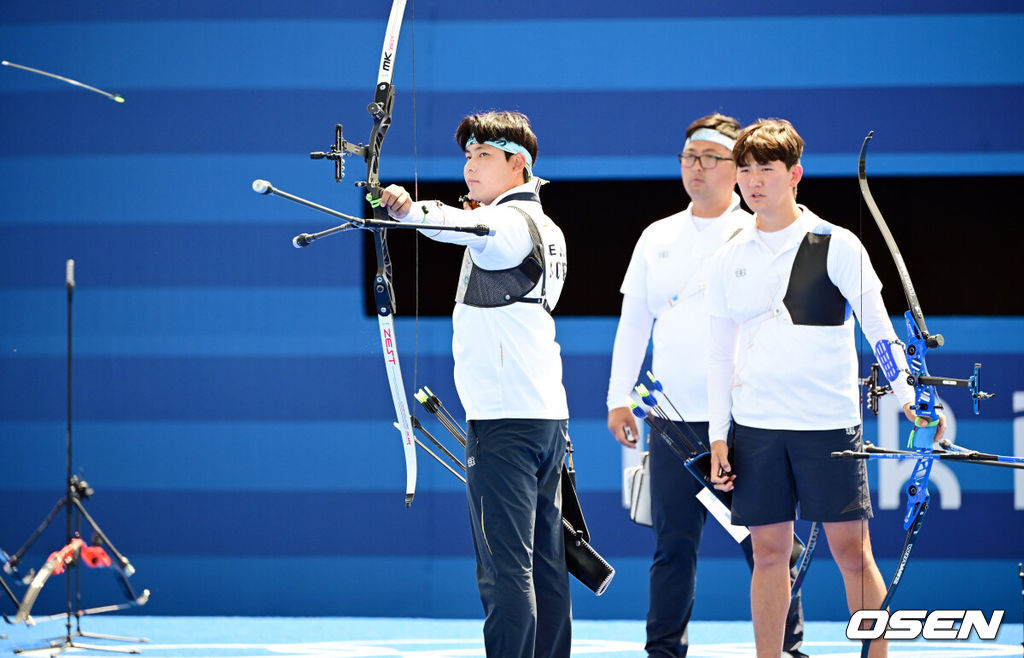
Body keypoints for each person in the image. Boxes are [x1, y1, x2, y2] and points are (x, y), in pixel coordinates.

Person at [706, 118, 946, 658]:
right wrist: (720, 436)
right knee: (769, 554)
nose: (752, 182)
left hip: (827, 425)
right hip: (757, 428)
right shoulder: (729, 256)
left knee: (852, 554)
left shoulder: (838, 244)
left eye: (766, 169)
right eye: (744, 171)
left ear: (795, 175)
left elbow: (880, 332)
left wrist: (909, 398)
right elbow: (720, 354)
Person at [606, 113, 806, 657]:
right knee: (672, 548)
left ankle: (785, 647)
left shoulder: (759, 231)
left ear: (737, 170)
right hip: (671, 420)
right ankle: (663, 652)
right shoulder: (657, 236)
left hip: (748, 421)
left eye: (713, 159)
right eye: (689, 156)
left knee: (767, 546)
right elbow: (634, 322)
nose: (698, 167)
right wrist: (618, 397)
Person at [379, 110, 571, 658]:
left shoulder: (506, 223)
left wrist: (410, 209)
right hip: (542, 416)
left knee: (505, 567)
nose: (470, 167)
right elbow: (472, 225)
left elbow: (470, 228)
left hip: (506, 422)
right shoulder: (544, 225)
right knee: (544, 563)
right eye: (467, 156)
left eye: (483, 156)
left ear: (519, 164)